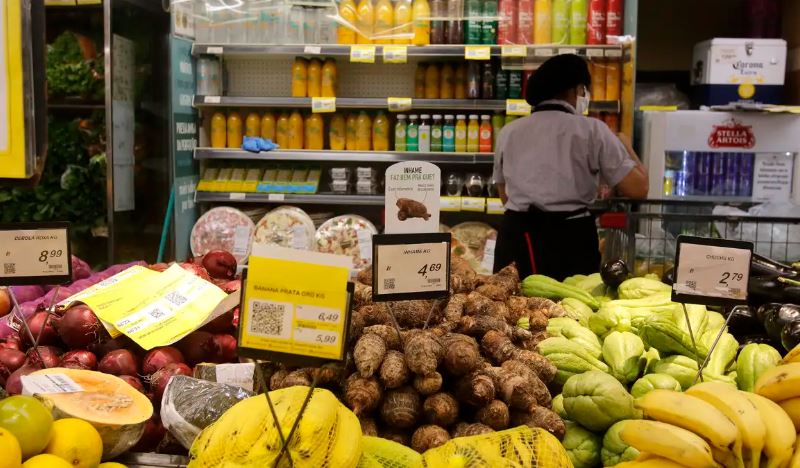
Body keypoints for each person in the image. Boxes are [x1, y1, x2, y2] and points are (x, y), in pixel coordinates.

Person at [492, 54, 648, 281]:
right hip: (571, 238)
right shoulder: (592, 130)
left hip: (517, 236)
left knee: (511, 307)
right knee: (572, 309)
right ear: (575, 90)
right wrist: (626, 145)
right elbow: (639, 189)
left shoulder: (509, 131)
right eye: (583, 90)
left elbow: (503, 193)